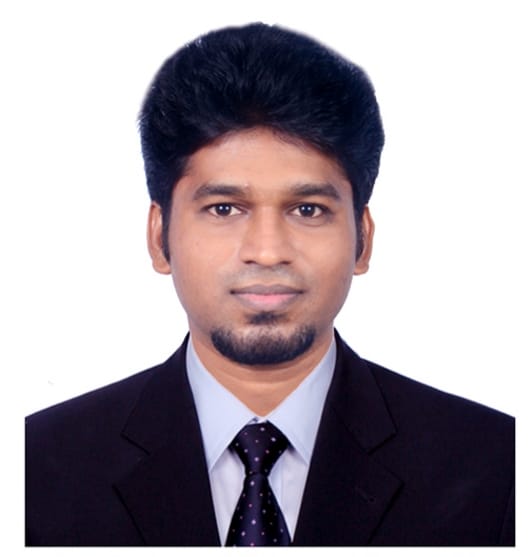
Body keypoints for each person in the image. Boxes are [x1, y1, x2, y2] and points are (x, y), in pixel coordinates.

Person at [25, 23, 514, 546]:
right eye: (224, 208)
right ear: (159, 237)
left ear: (363, 240)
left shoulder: (499, 469)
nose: (266, 250)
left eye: (308, 209)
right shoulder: (35, 469)